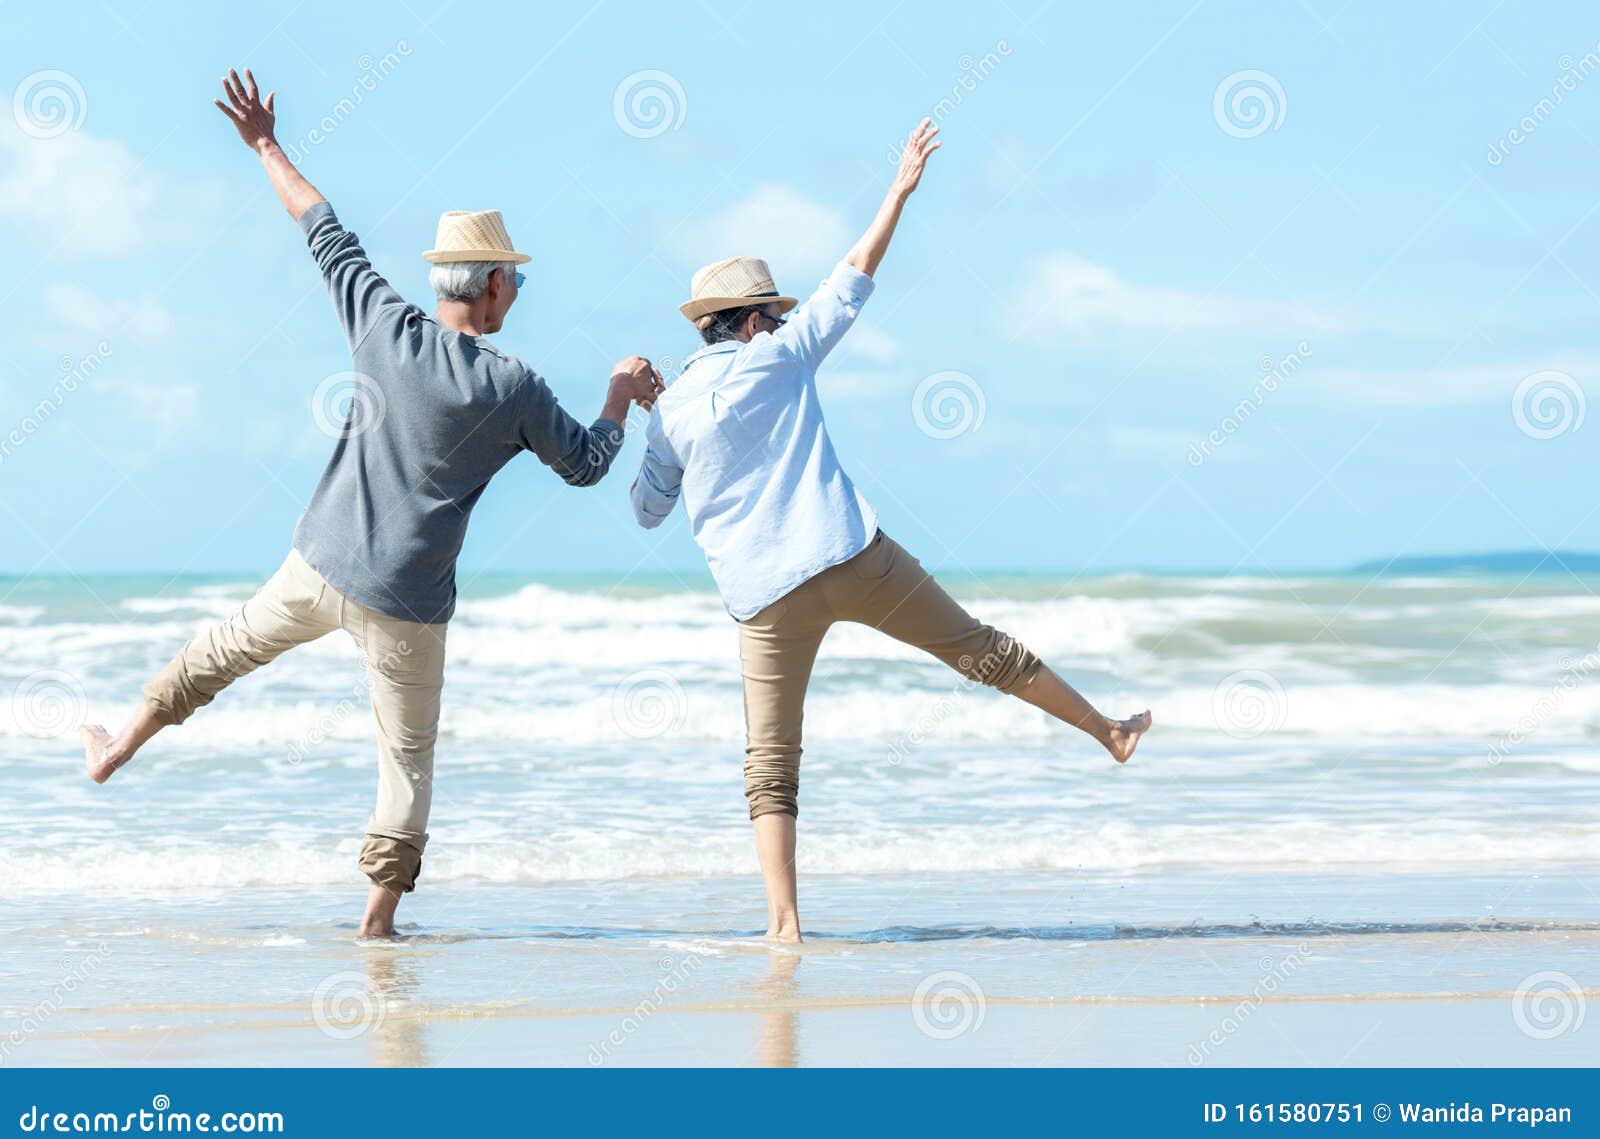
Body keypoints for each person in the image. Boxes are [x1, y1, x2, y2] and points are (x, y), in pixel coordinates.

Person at [79, 69, 662, 937]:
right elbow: (584, 466)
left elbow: (318, 224)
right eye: (516, 283)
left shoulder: (381, 321)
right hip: (409, 602)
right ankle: (376, 923)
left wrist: (264, 142)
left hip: (320, 563)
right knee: (406, 761)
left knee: (220, 651)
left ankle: (117, 747)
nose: (516, 296)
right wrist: (618, 396)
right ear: (495, 284)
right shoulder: (513, 385)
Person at [631, 120, 1151, 942]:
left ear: (709, 326)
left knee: (770, 766)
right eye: (771, 312)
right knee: (980, 650)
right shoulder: (782, 356)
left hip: (762, 599)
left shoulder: (670, 411)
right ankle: (1109, 732)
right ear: (756, 320)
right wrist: (899, 191)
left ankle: (785, 923)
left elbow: (648, 509)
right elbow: (854, 276)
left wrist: (636, 408)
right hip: (848, 553)